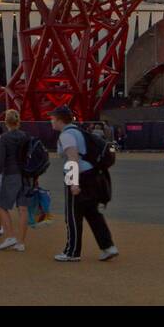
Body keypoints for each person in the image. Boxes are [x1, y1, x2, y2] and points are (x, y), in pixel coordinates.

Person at [50, 105, 117, 262]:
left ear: (60, 120)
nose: (51, 121)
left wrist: (73, 182)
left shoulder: (66, 135)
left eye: (53, 118)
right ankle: (108, 247)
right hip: (93, 174)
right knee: (93, 213)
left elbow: (72, 158)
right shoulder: (79, 131)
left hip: (78, 176)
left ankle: (72, 251)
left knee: (73, 215)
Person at [0, 108, 33, 253]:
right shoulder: (26, 136)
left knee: (3, 206)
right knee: (23, 209)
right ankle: (21, 242)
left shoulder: (5, 138)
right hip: (25, 175)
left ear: (6, 122)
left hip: (10, 174)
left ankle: (10, 236)